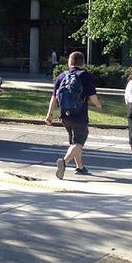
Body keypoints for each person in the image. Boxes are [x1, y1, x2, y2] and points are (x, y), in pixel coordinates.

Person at [45, 51, 101, 179]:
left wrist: (49, 114)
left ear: (70, 62)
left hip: (64, 115)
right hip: (79, 114)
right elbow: (92, 95)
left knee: (74, 142)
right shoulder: (84, 75)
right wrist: (98, 105)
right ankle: (63, 163)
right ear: (82, 62)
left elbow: (54, 97)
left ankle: (80, 167)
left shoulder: (61, 76)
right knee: (79, 142)